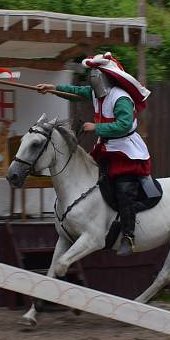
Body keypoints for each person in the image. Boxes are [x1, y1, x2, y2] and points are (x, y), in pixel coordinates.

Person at [36, 52, 151, 255]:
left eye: (95, 74)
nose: (91, 78)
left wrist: (95, 127)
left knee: (124, 188)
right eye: (91, 74)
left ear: (105, 76)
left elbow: (124, 126)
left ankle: (128, 236)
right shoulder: (96, 94)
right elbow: (77, 91)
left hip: (125, 150)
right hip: (105, 148)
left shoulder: (121, 98)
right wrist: (53, 88)